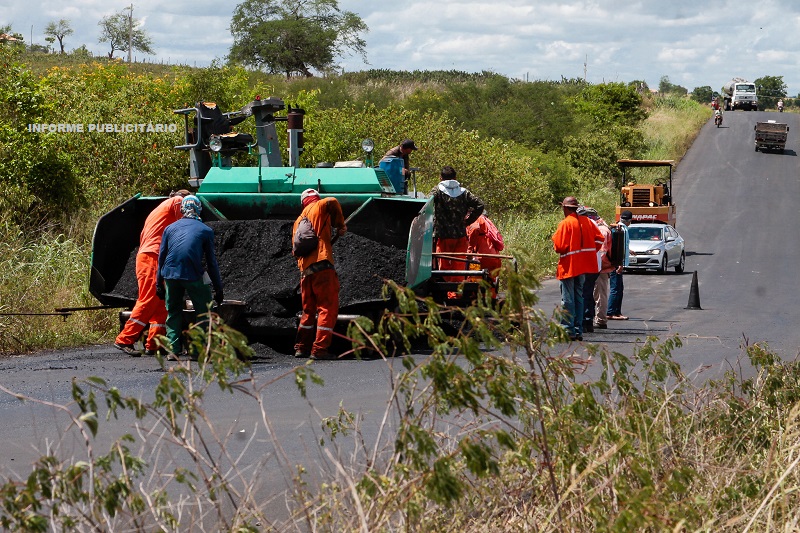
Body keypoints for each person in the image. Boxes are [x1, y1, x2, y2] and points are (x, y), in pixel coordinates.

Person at [114, 189, 190, 357]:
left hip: (153, 256)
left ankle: (154, 344)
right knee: (148, 299)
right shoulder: (177, 201)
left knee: (161, 302)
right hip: (153, 256)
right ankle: (124, 339)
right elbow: (184, 226)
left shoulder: (160, 209)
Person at [156, 195, 224, 358]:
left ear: (182, 210)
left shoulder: (170, 228)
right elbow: (211, 262)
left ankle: (173, 350)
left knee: (173, 312)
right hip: (193, 275)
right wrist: (218, 288)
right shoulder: (205, 230)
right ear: (199, 209)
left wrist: (158, 283)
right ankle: (197, 350)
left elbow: (162, 257)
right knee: (203, 312)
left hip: (170, 275)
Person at [292, 188, 347, 361]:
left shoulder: (298, 221)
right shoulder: (319, 206)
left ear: (302, 202)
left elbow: (295, 250)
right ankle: (319, 349)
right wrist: (340, 225)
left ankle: (301, 347)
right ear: (315, 198)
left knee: (308, 311)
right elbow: (332, 201)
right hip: (323, 267)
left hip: (305, 272)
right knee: (327, 308)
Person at [551, 197, 604, 341]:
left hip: (569, 266)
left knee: (568, 299)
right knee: (579, 297)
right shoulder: (588, 222)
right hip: (584, 266)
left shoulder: (565, 224)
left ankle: (567, 330)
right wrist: (589, 252)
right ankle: (577, 330)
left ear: (566, 208)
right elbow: (600, 239)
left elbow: (559, 247)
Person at [430, 166, 484, 282]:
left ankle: (445, 292)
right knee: (459, 266)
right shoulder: (464, 192)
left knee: (444, 266)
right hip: (460, 235)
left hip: (443, 235)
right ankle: (456, 293)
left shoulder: (437, 191)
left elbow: (427, 203)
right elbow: (480, 205)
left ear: (441, 178)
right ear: (455, 177)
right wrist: (468, 221)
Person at [576, 206, 604, 333]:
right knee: (588, 293)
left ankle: (583, 321)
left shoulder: (581, 224)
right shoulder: (593, 223)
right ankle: (588, 321)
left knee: (582, 293)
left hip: (585, 265)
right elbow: (599, 240)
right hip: (595, 265)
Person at [607, 209, 632, 321]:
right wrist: (620, 264)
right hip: (617, 264)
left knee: (619, 288)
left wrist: (629, 250)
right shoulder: (623, 230)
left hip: (616, 263)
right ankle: (612, 312)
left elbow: (621, 246)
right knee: (616, 288)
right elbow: (619, 248)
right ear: (629, 221)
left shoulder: (617, 228)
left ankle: (616, 311)